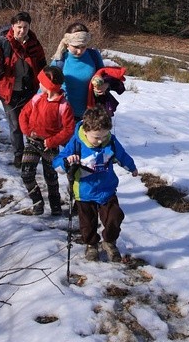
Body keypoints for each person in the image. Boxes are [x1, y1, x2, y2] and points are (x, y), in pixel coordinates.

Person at [54, 107, 139, 262]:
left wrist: (131, 167)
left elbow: (121, 155)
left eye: (104, 136)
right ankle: (91, 244)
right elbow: (58, 164)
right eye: (97, 138)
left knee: (115, 216)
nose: (101, 141)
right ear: (86, 131)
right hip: (84, 191)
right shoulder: (76, 143)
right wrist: (67, 162)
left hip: (107, 189)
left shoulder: (110, 141)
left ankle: (109, 241)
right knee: (87, 223)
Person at [0, 11, 47, 168]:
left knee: (31, 122)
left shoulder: (34, 43)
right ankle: (19, 154)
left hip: (29, 91)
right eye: (19, 27)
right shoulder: (3, 43)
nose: (22, 30)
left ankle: (31, 151)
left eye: (25, 27)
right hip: (9, 92)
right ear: (13, 26)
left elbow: (42, 64)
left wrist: (46, 83)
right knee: (15, 125)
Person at [18, 66, 75, 216]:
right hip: (32, 142)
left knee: (51, 177)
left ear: (48, 85)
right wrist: (27, 131)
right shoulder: (37, 98)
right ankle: (37, 202)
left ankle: (55, 204)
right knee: (26, 174)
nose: (39, 85)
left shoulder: (64, 106)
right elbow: (24, 114)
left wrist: (52, 141)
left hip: (50, 146)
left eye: (41, 82)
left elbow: (69, 129)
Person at [52, 22, 104, 120]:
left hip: (90, 114)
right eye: (76, 47)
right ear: (67, 43)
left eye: (83, 46)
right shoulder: (60, 60)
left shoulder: (94, 56)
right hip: (64, 114)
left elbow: (104, 75)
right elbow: (46, 86)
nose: (79, 51)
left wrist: (105, 85)